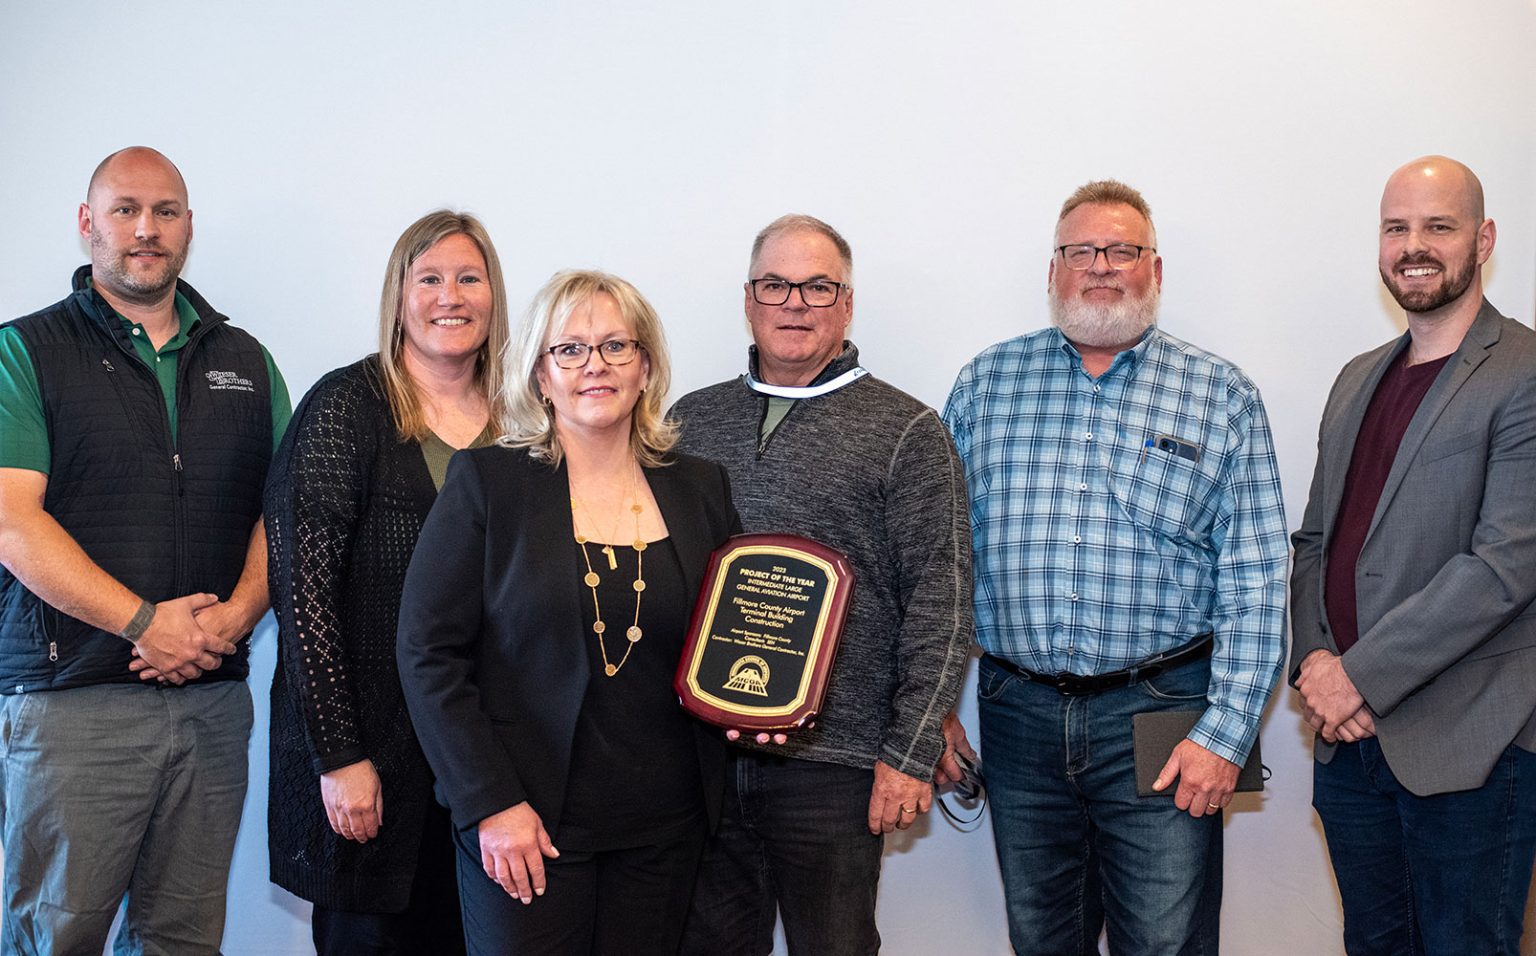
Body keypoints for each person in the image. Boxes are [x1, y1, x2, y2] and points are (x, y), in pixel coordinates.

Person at [942, 180, 1289, 955]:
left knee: (1164, 943)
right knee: (1042, 940)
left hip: (1165, 714)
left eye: (1122, 250)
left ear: (1155, 271)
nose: (1100, 266)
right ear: (1054, 270)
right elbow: (940, 563)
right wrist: (926, 709)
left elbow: (1257, 580)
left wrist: (1227, 736)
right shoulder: (985, 386)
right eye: (1080, 251)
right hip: (1018, 714)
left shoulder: (1221, 395)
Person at [0, 146, 290, 954]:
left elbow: (286, 512)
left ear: (188, 228)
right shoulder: (23, 352)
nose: (146, 230)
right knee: (56, 939)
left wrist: (233, 619)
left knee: (184, 940)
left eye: (165, 212)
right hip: (72, 706)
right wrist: (143, 623)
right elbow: (11, 522)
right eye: (125, 210)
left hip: (211, 705)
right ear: (88, 223)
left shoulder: (247, 363)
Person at [397, 269, 736, 955]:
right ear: (540, 376)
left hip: (664, 826)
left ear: (646, 366)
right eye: (571, 349)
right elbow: (427, 652)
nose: (596, 366)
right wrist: (489, 802)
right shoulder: (489, 483)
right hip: (526, 824)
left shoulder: (700, 487)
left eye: (616, 346)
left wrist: (760, 706)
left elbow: (726, 639)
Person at [673, 214, 973, 956]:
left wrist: (906, 750)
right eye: (777, 284)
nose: (796, 303)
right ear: (749, 299)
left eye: (818, 286)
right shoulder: (686, 419)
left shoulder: (907, 429)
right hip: (703, 762)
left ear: (846, 304)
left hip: (834, 769)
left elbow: (943, 596)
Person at [1290, 156, 1536, 955]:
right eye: (1397, 228)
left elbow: (1503, 568)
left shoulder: (1525, 374)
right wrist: (1315, 665)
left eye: (1439, 225)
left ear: (1484, 238)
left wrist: (1354, 676)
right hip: (1350, 749)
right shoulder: (1358, 377)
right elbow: (1315, 544)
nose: (1414, 245)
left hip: (1472, 749)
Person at [265, 210, 512, 954]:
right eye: (430, 278)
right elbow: (303, 595)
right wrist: (340, 757)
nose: (451, 296)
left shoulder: (524, 417)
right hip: (373, 757)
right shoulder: (347, 408)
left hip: (488, 763)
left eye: (470, 278)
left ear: (494, 295)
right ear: (398, 297)